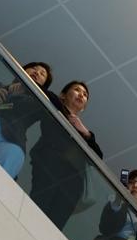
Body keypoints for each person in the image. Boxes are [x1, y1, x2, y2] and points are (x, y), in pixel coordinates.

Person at [29, 80, 101, 231]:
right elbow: (43, 92)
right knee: (38, 206)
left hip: (73, 179)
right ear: (63, 95)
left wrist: (85, 132)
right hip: (50, 164)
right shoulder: (55, 104)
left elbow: (98, 157)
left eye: (85, 95)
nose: (81, 95)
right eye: (77, 90)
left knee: (56, 222)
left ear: (83, 107)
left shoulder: (84, 133)